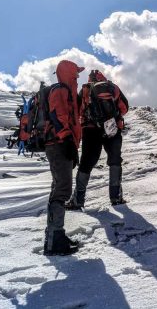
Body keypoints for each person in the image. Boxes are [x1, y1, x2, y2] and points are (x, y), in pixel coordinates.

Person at [65, 69, 129, 210]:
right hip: (112, 128)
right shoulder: (112, 87)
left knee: (87, 162)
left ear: (89, 79)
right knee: (115, 160)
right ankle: (116, 197)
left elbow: (77, 111)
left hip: (90, 129)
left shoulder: (86, 90)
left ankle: (78, 200)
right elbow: (125, 107)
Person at [44, 59, 84, 256]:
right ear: (68, 73)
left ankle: (55, 236)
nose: (78, 76)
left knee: (59, 188)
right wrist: (68, 141)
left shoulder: (67, 91)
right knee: (62, 190)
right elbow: (59, 116)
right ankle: (54, 241)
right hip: (59, 144)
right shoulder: (60, 90)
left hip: (62, 144)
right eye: (76, 73)